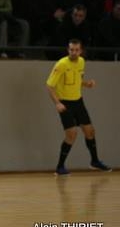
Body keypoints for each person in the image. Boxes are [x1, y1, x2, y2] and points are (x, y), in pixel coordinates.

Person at [46, 39, 112, 176]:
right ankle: (59, 167)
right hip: (65, 102)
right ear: (68, 50)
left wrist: (86, 84)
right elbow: (49, 85)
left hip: (78, 102)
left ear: (81, 51)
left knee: (90, 131)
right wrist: (57, 103)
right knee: (72, 134)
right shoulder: (62, 64)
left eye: (76, 50)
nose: (74, 52)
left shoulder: (81, 62)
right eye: (71, 50)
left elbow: (77, 80)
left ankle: (95, 161)